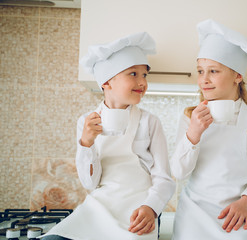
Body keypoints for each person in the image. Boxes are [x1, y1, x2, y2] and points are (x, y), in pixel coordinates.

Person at [41, 32, 175, 240]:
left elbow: (164, 179)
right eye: (133, 74)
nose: (142, 82)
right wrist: (86, 143)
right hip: (99, 208)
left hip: (138, 211)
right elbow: (89, 183)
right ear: (106, 82)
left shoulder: (149, 122)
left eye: (145, 75)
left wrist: (151, 208)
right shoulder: (86, 122)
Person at [171, 19, 247, 240]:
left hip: (239, 221)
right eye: (200, 71)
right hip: (194, 220)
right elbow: (178, 173)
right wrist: (194, 133)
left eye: (213, 71)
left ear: (238, 76)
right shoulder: (190, 117)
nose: (204, 80)